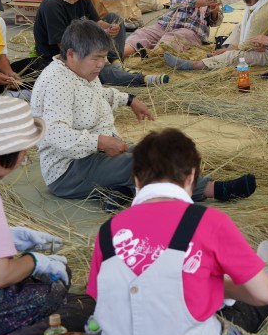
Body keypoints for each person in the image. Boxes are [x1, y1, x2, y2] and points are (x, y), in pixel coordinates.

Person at [88, 128, 268, 335]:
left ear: (136, 180)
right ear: (191, 178)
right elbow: (265, 295)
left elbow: (100, 298)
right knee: (246, 311)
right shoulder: (210, 222)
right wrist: (224, 289)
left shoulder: (107, 231)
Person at [32, 19, 256, 206]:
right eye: (96, 58)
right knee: (142, 164)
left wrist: (129, 99)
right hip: (68, 170)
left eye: (103, 57)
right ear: (71, 54)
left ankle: (124, 192)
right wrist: (101, 142)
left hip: (91, 155)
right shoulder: (57, 82)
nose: (102, 64)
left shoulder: (80, 71)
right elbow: (54, 133)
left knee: (156, 150)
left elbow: (97, 95)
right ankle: (212, 190)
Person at [0, 97, 108, 335]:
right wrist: (35, 261)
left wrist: (5, 235)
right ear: (5, 148)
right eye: (24, 152)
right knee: (63, 291)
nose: (24, 161)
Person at [34, 0, 166, 88]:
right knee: (97, 67)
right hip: (63, 58)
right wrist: (95, 54)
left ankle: (116, 61)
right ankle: (140, 79)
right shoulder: (52, 6)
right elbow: (65, 48)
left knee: (115, 19)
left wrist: (109, 28)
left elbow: (98, 22)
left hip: (82, 47)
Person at [164, 0, 268, 70]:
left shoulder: (262, 14)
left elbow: (248, 44)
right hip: (259, 44)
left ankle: (196, 65)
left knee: (234, 56)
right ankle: (226, 50)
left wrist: (229, 52)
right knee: (239, 27)